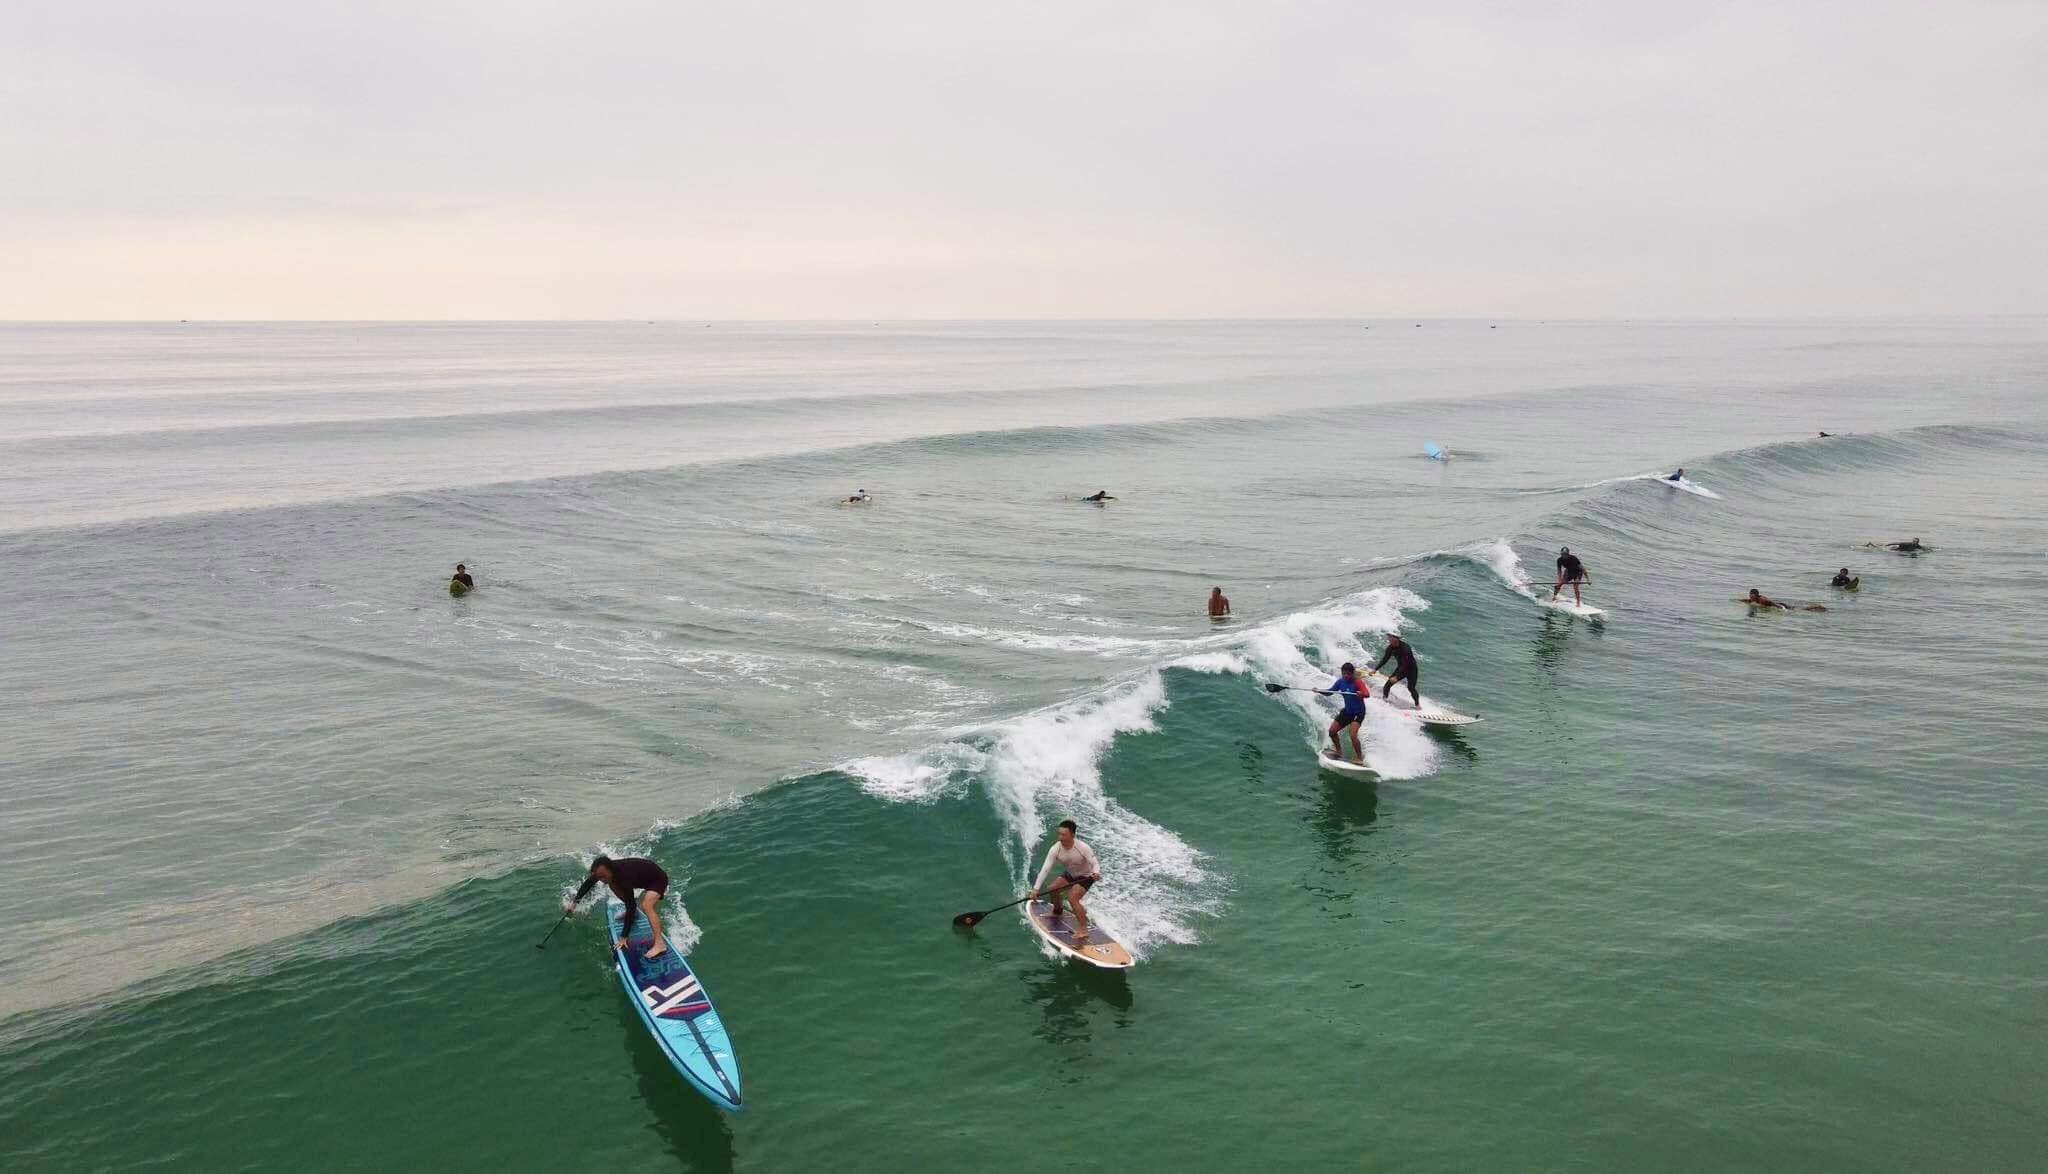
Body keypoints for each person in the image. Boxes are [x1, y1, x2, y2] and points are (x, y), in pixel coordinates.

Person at [565, 855, 674, 959]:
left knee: (646, 905)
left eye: (603, 876)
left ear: (609, 869)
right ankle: (635, 914)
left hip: (657, 879)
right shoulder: (604, 872)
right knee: (612, 885)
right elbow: (588, 883)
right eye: (599, 877)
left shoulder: (623, 876)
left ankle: (660, 945)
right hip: (643, 877)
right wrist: (575, 902)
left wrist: (624, 937)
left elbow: (631, 905)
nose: (601, 879)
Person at [1030, 820, 1101, 945]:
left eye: (1064, 835)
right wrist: (1036, 889)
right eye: (1059, 834)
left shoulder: (1082, 847)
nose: (1060, 837)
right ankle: (1057, 912)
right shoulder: (1055, 849)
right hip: (1071, 874)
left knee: (1072, 898)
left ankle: (1083, 929)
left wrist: (1096, 873)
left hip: (1086, 876)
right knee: (1052, 888)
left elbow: (1094, 863)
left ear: (1072, 835)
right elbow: (1045, 869)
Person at [1323, 662, 1368, 763]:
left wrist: (1361, 694)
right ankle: (1339, 752)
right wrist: (1319, 690)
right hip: (1348, 711)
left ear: (1352, 674)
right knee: (1332, 731)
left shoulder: (1357, 682)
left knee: (1352, 734)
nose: (1346, 676)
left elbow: (1367, 693)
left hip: (1358, 712)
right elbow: (1330, 692)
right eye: (1344, 673)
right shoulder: (1340, 682)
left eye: (1348, 674)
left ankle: (1359, 758)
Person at [1372, 634, 1421, 707]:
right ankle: (1384, 702)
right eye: (1389, 637)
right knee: (1387, 685)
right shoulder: (1390, 648)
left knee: (1411, 688)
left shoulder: (1406, 648)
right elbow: (1385, 659)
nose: (1389, 639)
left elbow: (1406, 664)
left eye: (1391, 637)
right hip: (1401, 668)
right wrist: (1375, 669)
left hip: (1411, 670)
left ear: (1396, 639)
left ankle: (1417, 705)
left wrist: (1396, 677)